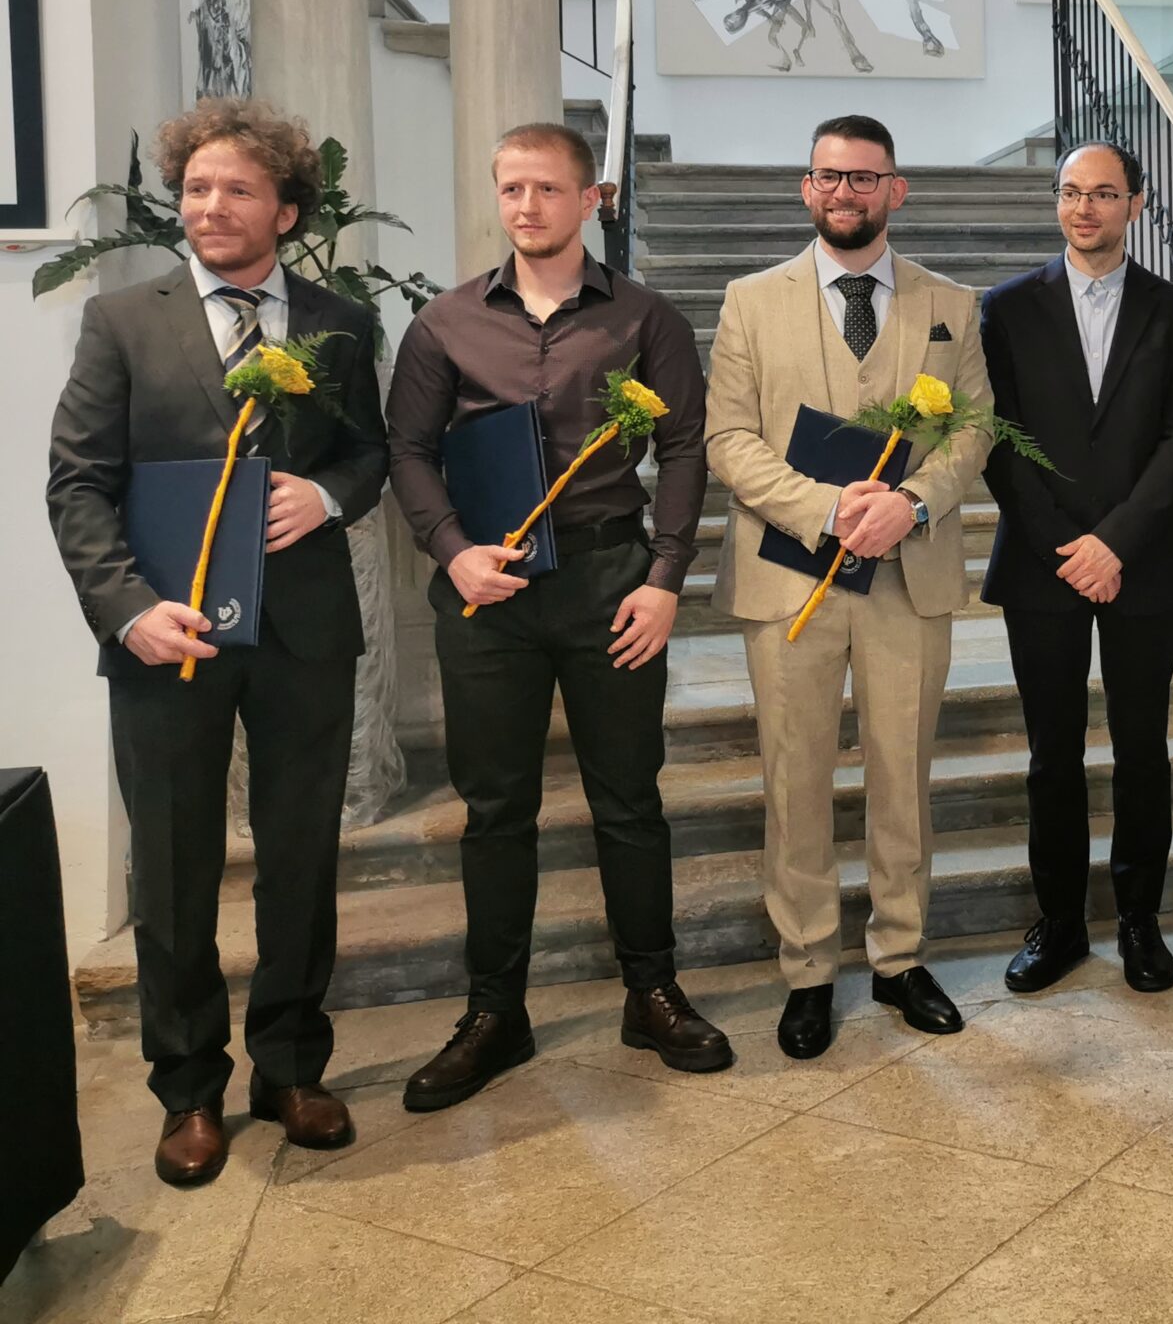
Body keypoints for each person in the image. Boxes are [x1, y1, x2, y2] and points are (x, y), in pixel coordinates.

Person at [47, 98, 386, 1186]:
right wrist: (129, 608)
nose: (211, 206)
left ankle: (290, 1068)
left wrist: (326, 498)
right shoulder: (122, 323)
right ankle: (187, 1088)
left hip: (302, 631)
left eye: (238, 188)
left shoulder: (340, 323)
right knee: (175, 865)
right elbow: (78, 485)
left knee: (300, 858)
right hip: (167, 635)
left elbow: (370, 455)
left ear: (286, 210)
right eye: (196, 188)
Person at [384, 123, 730, 1111]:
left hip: (609, 580)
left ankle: (651, 992)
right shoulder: (445, 322)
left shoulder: (646, 318)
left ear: (589, 200)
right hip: (486, 590)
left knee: (629, 800)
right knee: (495, 810)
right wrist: (452, 549)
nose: (526, 206)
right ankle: (495, 1011)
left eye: (546, 188)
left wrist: (665, 577)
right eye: (511, 189)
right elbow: (408, 449)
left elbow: (686, 446)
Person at [704, 115, 994, 1051]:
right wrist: (827, 508)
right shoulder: (751, 301)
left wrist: (911, 503)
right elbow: (727, 438)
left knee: (902, 773)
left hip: (908, 575)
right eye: (829, 176)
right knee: (796, 779)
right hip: (789, 580)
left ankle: (900, 958)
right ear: (807, 187)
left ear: (895, 190)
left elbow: (975, 429)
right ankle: (808, 968)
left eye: (865, 178)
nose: (845, 192)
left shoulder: (952, 305)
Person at [979, 142, 1173, 995]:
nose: (1085, 208)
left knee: (1143, 749)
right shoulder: (1005, 309)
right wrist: (1067, 549)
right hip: (1041, 566)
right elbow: (998, 441)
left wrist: (1116, 542)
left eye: (1104, 193)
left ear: (1136, 205)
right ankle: (1061, 922)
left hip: (1140, 563)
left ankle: (1140, 920)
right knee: (1053, 753)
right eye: (1071, 192)